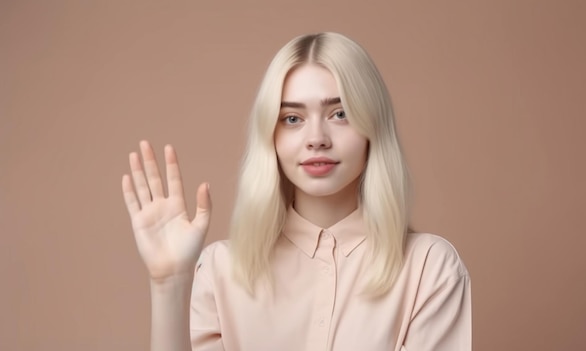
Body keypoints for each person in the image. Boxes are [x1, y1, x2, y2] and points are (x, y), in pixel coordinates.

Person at [122, 32, 471, 351]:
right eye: (292, 118)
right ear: (270, 136)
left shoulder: (430, 267)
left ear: (372, 127)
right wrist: (169, 284)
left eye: (340, 113)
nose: (316, 138)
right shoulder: (219, 270)